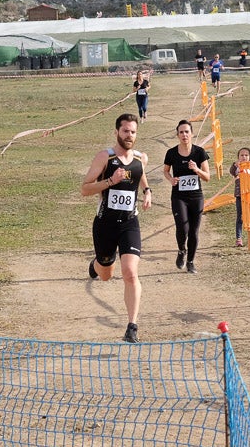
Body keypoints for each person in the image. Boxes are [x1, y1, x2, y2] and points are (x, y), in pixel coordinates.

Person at [81, 113, 153, 343]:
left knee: (130, 273)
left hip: (130, 223)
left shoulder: (141, 158)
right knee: (105, 274)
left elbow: (140, 176)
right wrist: (110, 181)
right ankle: (96, 264)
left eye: (133, 132)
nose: (129, 136)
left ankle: (132, 326)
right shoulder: (105, 157)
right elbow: (85, 189)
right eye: (125, 131)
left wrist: (147, 191)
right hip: (105, 224)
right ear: (117, 132)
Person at [163, 119, 211, 274]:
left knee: (194, 231)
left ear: (192, 134)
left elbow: (207, 177)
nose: (184, 135)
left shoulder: (199, 152)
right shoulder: (171, 153)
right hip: (179, 196)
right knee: (182, 227)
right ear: (177, 134)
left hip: (196, 196)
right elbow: (165, 171)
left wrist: (196, 169)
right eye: (181, 132)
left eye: (187, 132)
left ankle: (190, 261)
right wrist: (171, 179)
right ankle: (181, 250)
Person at [229, 147, 250, 247]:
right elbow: (232, 172)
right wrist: (236, 165)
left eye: (246, 155)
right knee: (240, 217)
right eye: (242, 155)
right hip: (240, 195)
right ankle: (239, 238)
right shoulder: (237, 167)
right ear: (238, 157)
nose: (244, 157)